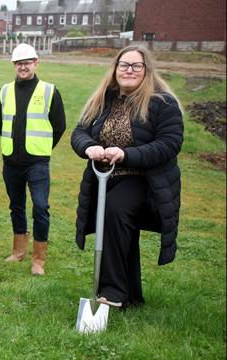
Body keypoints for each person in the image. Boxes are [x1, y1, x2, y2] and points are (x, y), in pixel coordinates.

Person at [71, 45, 183, 308]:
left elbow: (170, 143)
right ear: (115, 69)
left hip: (144, 179)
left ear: (147, 71)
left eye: (136, 66)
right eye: (124, 65)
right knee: (121, 230)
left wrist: (125, 154)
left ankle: (111, 291)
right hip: (105, 178)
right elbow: (79, 132)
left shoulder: (162, 103)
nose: (129, 70)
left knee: (114, 211)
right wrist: (88, 146)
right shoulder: (102, 100)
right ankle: (132, 296)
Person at [0, 43, 66, 275]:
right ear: (14, 65)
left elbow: (59, 126)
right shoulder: (4, 91)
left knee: (40, 207)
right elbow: (0, 124)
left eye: (26, 62)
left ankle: (38, 260)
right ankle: (18, 251)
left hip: (37, 163)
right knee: (16, 206)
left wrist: (42, 148)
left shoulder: (49, 91)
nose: (22, 67)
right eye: (18, 63)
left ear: (36, 62)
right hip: (11, 162)